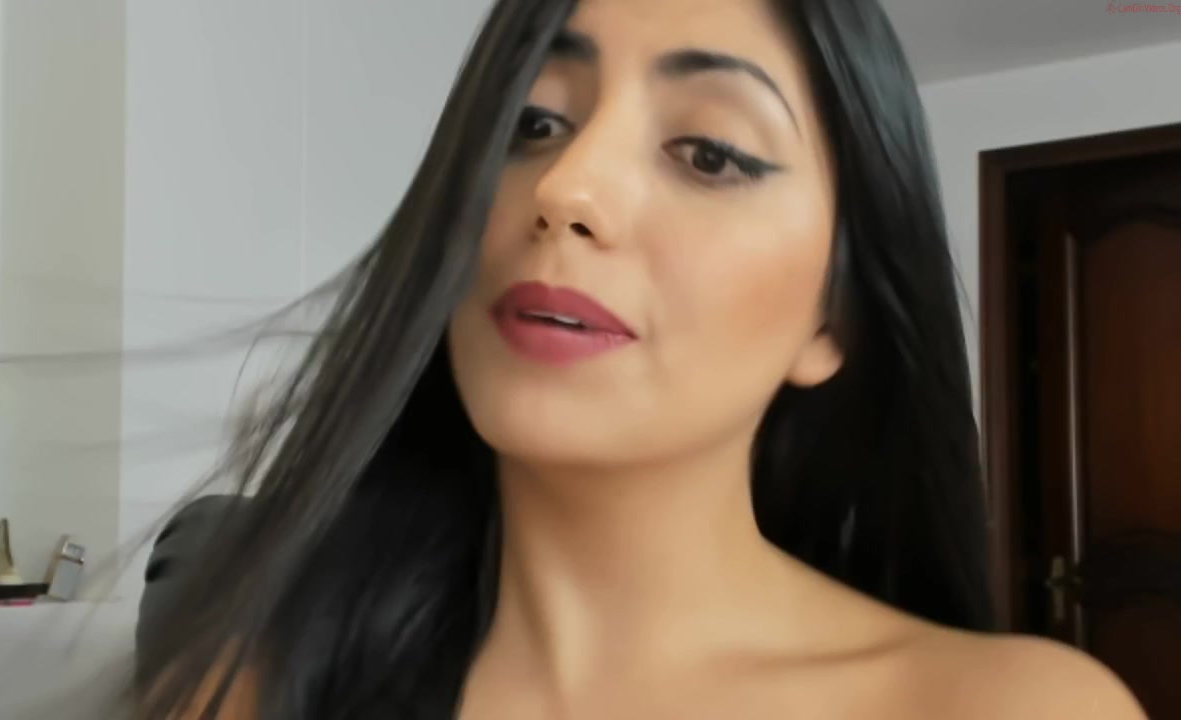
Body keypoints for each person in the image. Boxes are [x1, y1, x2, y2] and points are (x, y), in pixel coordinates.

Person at [131, 0, 1147, 717]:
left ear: (830, 320)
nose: (565, 188)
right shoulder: (244, 691)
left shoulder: (1012, 710)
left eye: (708, 153)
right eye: (533, 123)